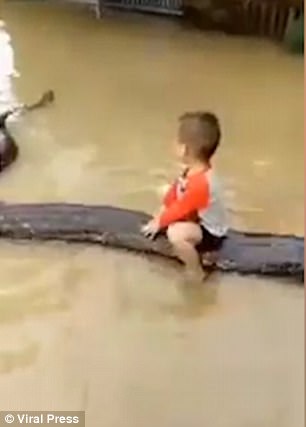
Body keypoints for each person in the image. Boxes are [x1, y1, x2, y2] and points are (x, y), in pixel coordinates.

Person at [141, 111, 228, 281]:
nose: (172, 144)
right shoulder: (193, 170)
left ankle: (194, 270)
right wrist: (163, 211)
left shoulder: (201, 183)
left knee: (176, 234)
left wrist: (160, 222)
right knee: (165, 202)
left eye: (176, 141)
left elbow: (181, 207)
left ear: (184, 149)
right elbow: (176, 191)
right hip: (196, 217)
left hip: (211, 232)